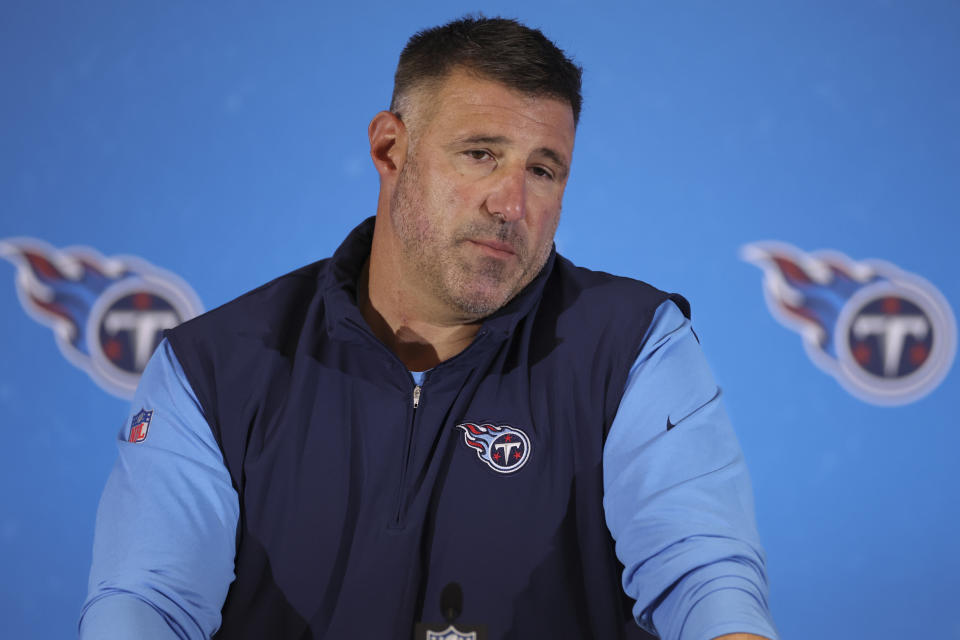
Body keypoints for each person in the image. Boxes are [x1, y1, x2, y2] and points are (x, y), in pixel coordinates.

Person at [80, 16, 778, 640]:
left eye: (543, 169)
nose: (511, 203)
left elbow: (703, 576)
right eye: (480, 153)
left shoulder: (632, 345)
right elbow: (149, 604)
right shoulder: (215, 368)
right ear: (390, 149)